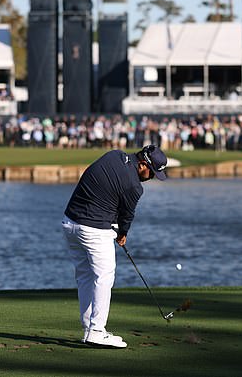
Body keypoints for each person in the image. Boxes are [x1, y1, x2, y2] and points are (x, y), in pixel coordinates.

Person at [62, 144, 168, 348]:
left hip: (69, 223)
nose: (152, 177)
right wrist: (123, 234)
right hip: (93, 229)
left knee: (85, 276)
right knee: (104, 276)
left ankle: (88, 328)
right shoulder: (135, 187)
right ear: (143, 164)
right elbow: (126, 215)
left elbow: (103, 188)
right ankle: (96, 330)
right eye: (152, 173)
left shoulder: (114, 155)